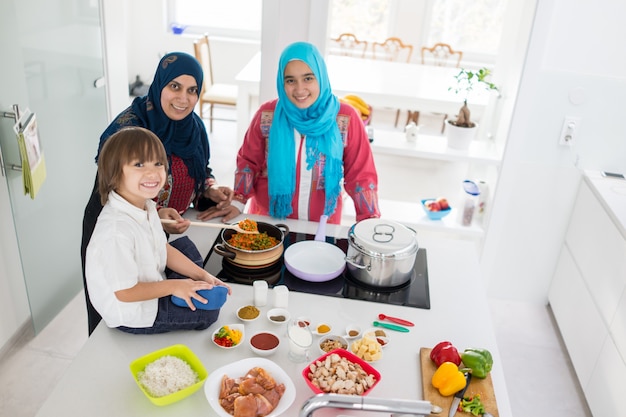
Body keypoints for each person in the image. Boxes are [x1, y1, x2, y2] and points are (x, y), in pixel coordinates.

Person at [81, 51, 236, 335]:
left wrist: (207, 189)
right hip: (126, 226)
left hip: (151, 222)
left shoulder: (193, 127)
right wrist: (178, 284)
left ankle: (166, 290)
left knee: (180, 254)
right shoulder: (127, 133)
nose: (183, 98)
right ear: (159, 85)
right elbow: (112, 184)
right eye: (174, 86)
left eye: (192, 90)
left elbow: (199, 169)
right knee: (116, 294)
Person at [85, 126, 231, 334]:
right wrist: (174, 286)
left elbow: (162, 248)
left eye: (158, 163)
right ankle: (178, 290)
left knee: (185, 247)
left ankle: (182, 287)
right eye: (139, 164)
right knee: (209, 314)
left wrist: (202, 274)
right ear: (114, 174)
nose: (152, 172)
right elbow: (125, 292)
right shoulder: (116, 231)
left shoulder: (146, 204)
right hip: (132, 311)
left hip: (151, 280)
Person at [227, 41, 380, 224]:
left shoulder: (345, 118)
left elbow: (361, 174)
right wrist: (237, 202)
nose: (299, 89)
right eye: (290, 80)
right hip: (268, 221)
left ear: (320, 76)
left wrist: (369, 220)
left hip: (322, 225)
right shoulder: (267, 114)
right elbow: (248, 162)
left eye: (308, 78)